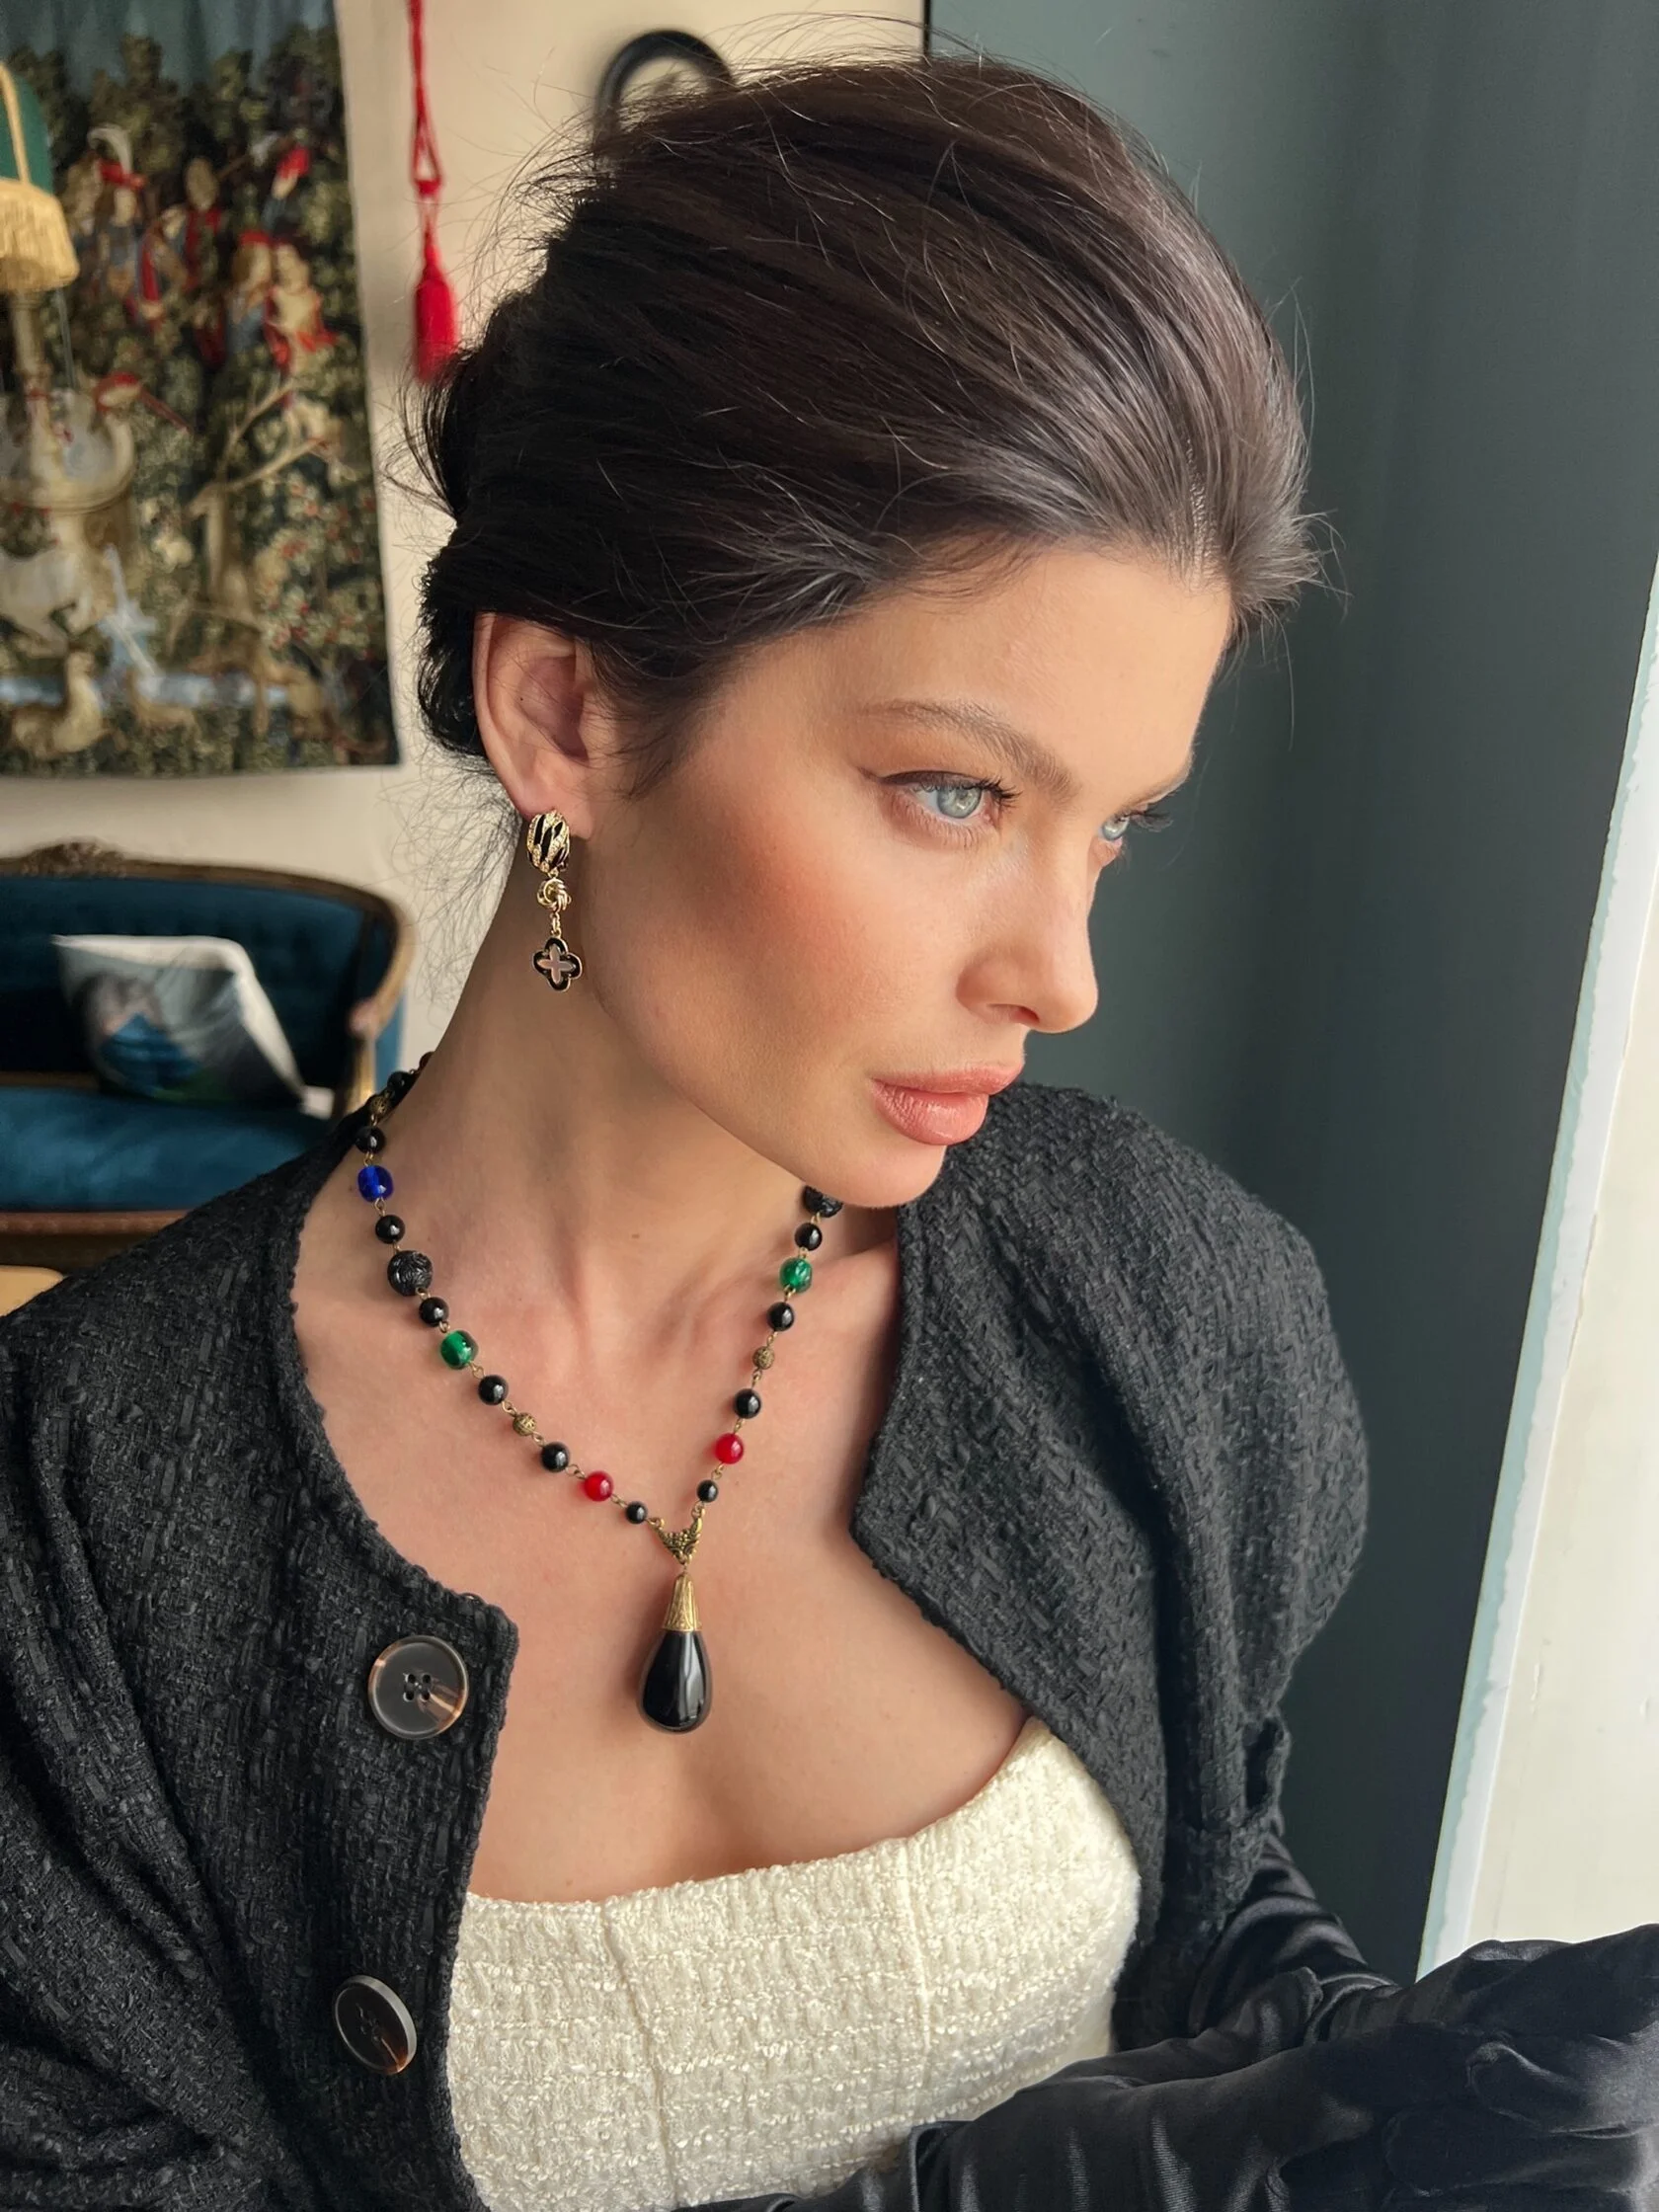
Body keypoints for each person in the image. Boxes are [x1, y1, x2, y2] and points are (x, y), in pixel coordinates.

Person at [2, 47, 1655, 2212]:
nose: (1061, 972)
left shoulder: (1172, 1308)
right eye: (954, 792)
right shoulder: (80, 1539)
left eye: (1116, 827)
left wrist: (1398, 2085)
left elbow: (1201, 1904)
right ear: (568, 710)